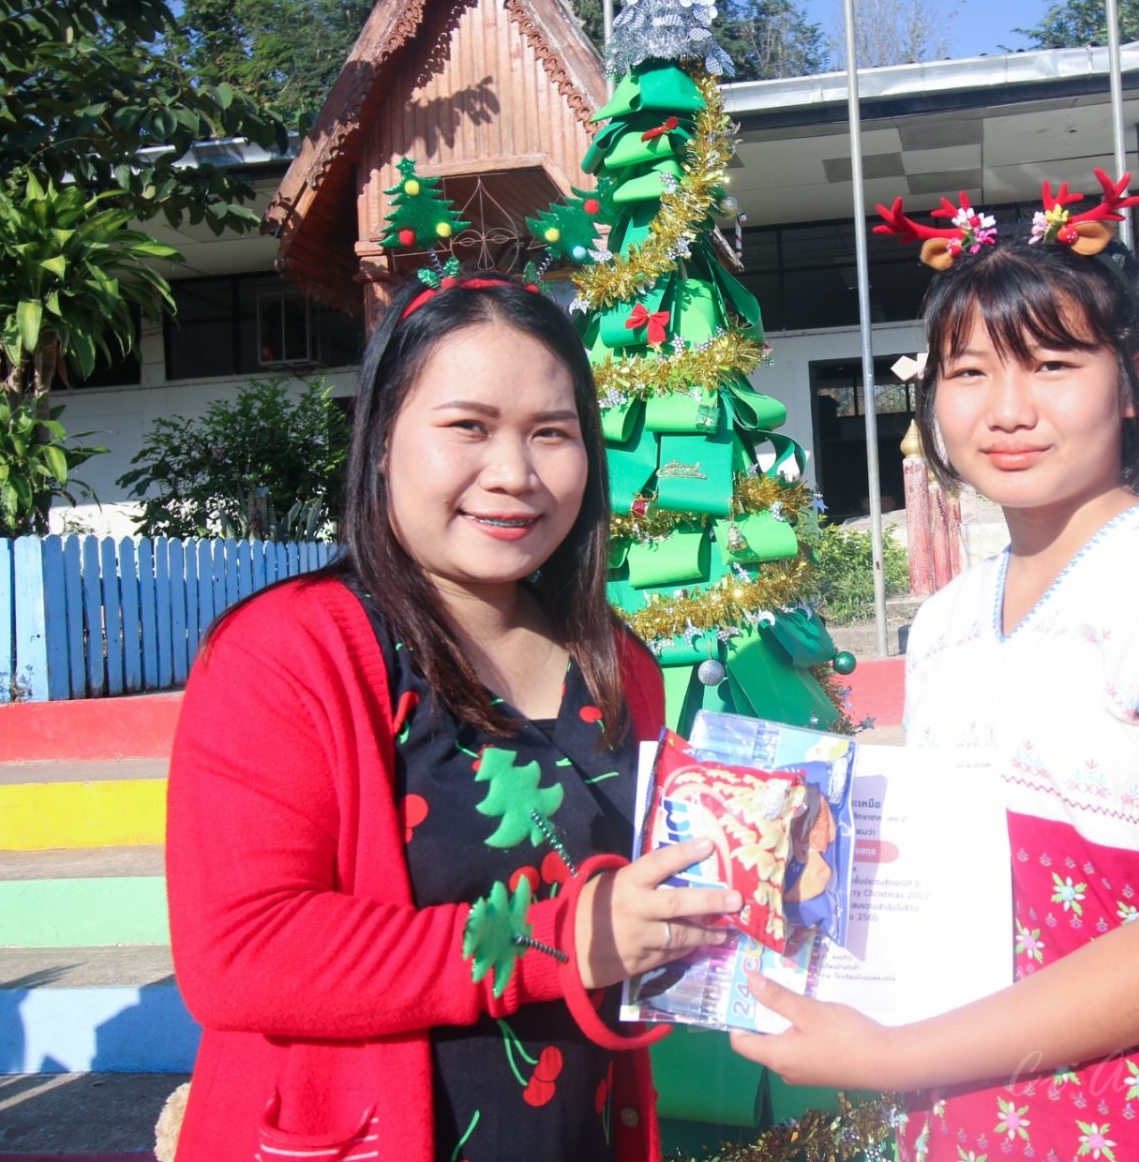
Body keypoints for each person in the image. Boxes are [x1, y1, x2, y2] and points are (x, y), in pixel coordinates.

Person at [734, 183, 1139, 1162]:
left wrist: (889, 1055)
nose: (1008, 410)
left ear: (1131, 379)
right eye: (968, 371)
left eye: (1053, 364)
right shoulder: (947, 620)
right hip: (967, 1119)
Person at [164, 274, 737, 1162]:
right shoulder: (288, 653)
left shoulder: (616, 662)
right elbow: (242, 952)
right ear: (381, 440)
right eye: (469, 426)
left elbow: (636, 909)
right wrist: (562, 940)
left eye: (552, 432)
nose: (513, 474)